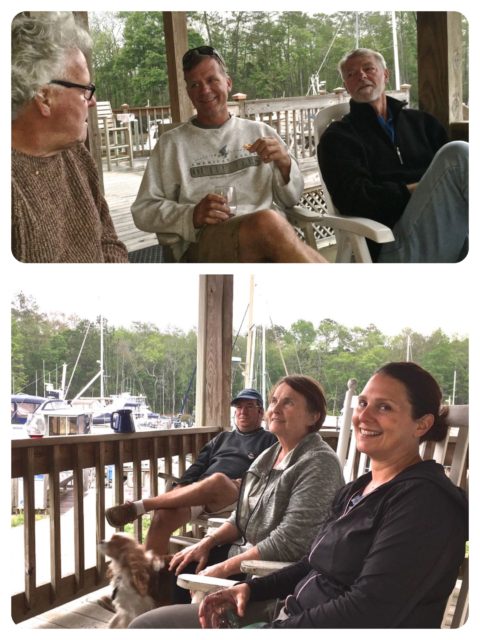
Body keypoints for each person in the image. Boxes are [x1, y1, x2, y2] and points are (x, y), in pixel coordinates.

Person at [133, 362, 468, 629]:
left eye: (384, 408)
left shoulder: (425, 504)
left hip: (296, 622)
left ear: (421, 424)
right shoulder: (358, 489)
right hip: (286, 610)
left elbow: (369, 611)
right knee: (148, 624)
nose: (363, 416)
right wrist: (250, 589)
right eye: (363, 403)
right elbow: (313, 561)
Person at [129, 374, 345, 627]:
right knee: (177, 566)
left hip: (273, 573)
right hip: (247, 552)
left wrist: (222, 568)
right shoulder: (270, 454)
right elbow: (242, 515)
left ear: (313, 416)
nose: (275, 408)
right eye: (274, 400)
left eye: (288, 403)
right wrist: (206, 543)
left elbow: (291, 542)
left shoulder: (317, 463)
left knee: (176, 585)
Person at [131, 45, 326, 263]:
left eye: (212, 80)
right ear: (188, 93)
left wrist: (285, 163)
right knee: (268, 223)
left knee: (271, 227)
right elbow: (143, 210)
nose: (204, 90)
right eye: (195, 84)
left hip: (272, 238)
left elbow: (292, 198)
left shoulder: (261, 132)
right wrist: (192, 214)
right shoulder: (172, 144)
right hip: (207, 244)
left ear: (228, 83)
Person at [318, 48, 468, 263]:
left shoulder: (423, 123)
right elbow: (354, 200)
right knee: (458, 153)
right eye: (351, 74)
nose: (361, 75)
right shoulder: (338, 138)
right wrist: (420, 188)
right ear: (347, 86)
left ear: (385, 75)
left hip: (453, 229)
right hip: (392, 243)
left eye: (368, 68)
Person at [11, 12, 128, 263]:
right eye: (86, 90)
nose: (93, 101)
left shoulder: (77, 155)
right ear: (44, 97)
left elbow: (108, 239)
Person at [105, 389, 277, 557]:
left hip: (236, 495)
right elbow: (198, 466)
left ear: (260, 411)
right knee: (162, 517)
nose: (242, 412)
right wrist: (180, 487)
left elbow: (268, 474)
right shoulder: (222, 438)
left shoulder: (270, 440)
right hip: (201, 492)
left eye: (248, 406)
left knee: (217, 480)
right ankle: (150, 579)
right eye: (238, 407)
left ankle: (141, 506)